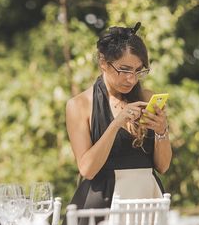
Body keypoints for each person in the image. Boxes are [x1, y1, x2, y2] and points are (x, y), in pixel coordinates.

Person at [65, 22, 172, 213]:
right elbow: (87, 169)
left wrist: (162, 131)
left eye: (138, 71)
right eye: (124, 70)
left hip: (147, 200)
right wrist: (116, 124)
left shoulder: (147, 98)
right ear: (103, 63)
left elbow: (163, 167)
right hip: (103, 204)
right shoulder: (79, 105)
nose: (131, 79)